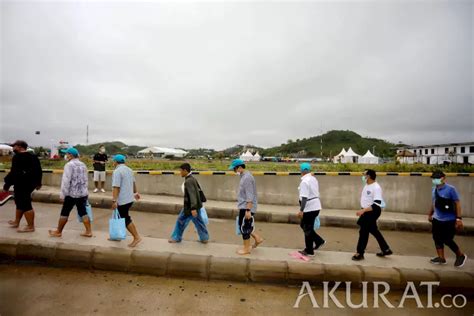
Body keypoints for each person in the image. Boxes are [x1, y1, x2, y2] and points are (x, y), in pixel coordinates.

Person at [49, 148, 92, 237]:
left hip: (71, 194)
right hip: (82, 193)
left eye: (67, 154)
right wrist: (85, 192)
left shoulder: (69, 165)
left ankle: (58, 231)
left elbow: (66, 181)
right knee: (83, 212)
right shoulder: (83, 164)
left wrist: (63, 195)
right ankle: (88, 231)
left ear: (71, 155)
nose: (66, 156)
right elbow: (85, 180)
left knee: (65, 212)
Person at [428, 171, 467, 267]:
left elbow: (457, 203)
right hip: (437, 219)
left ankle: (460, 255)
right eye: (433, 178)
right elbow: (434, 204)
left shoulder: (450, 189)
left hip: (449, 220)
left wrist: (458, 219)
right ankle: (441, 258)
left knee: (447, 239)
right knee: (436, 238)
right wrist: (430, 214)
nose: (435, 180)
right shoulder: (434, 190)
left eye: (437, 178)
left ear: (443, 178)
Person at [2, 140, 42, 232]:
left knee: (25, 204)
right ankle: (16, 222)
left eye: (14, 146)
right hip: (30, 184)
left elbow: (13, 173)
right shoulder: (33, 156)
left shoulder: (17, 157)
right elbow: (38, 170)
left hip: (21, 184)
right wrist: (38, 183)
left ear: (20, 147)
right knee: (20, 202)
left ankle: (30, 226)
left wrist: (6, 185)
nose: (13, 148)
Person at [352, 169, 392, 261]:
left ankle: (360, 253)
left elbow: (376, 204)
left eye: (364, 174)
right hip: (366, 211)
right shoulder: (367, 185)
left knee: (363, 232)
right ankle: (386, 249)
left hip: (372, 211)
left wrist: (363, 211)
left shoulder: (376, 187)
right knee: (374, 230)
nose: (363, 176)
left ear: (369, 176)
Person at [229, 159, 264, 255]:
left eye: (234, 169)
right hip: (245, 206)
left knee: (244, 228)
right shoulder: (244, 176)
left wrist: (248, 210)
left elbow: (250, 195)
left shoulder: (247, 178)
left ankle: (246, 249)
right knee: (244, 226)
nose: (234, 171)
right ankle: (257, 238)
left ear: (239, 167)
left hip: (247, 207)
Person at [169, 163, 209, 244]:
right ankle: (204, 238)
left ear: (185, 170)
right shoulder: (192, 179)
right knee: (199, 222)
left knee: (180, 220)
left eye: (181, 171)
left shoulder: (188, 181)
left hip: (190, 207)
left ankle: (176, 237)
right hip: (196, 205)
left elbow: (192, 195)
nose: (180, 172)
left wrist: (193, 208)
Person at [111, 154, 142, 247]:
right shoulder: (129, 170)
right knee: (119, 217)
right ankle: (117, 235)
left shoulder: (117, 171)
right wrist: (136, 193)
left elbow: (116, 187)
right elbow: (133, 183)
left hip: (122, 200)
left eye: (113, 161)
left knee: (125, 218)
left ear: (116, 162)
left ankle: (137, 237)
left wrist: (114, 201)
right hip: (129, 199)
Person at [297, 163, 325, 257]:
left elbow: (304, 197)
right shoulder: (313, 178)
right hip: (315, 206)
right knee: (304, 226)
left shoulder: (304, 182)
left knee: (307, 229)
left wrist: (301, 210)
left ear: (302, 171)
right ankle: (318, 241)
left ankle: (309, 250)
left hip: (309, 207)